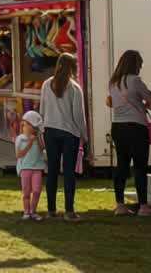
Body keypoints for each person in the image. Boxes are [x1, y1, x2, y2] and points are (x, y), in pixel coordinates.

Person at [106, 50, 151, 216]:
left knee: (122, 166)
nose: (140, 68)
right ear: (135, 65)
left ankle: (120, 205)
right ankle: (143, 206)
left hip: (118, 127)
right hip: (136, 127)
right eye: (140, 64)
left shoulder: (113, 82)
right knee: (140, 167)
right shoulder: (136, 81)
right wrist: (147, 100)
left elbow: (110, 103)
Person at [41, 53, 87, 221]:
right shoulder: (74, 88)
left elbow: (42, 109)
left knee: (52, 171)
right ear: (73, 67)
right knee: (69, 172)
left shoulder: (47, 84)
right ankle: (69, 210)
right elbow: (78, 115)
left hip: (50, 131)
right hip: (69, 133)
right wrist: (84, 134)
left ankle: (51, 209)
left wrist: (42, 129)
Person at [16, 110, 47, 221]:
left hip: (37, 167)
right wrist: (29, 143)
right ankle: (26, 211)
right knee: (26, 192)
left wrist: (37, 138)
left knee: (37, 190)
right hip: (25, 168)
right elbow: (19, 154)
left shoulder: (38, 138)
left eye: (26, 125)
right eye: (23, 125)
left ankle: (33, 211)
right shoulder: (20, 139)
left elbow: (42, 148)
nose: (24, 127)